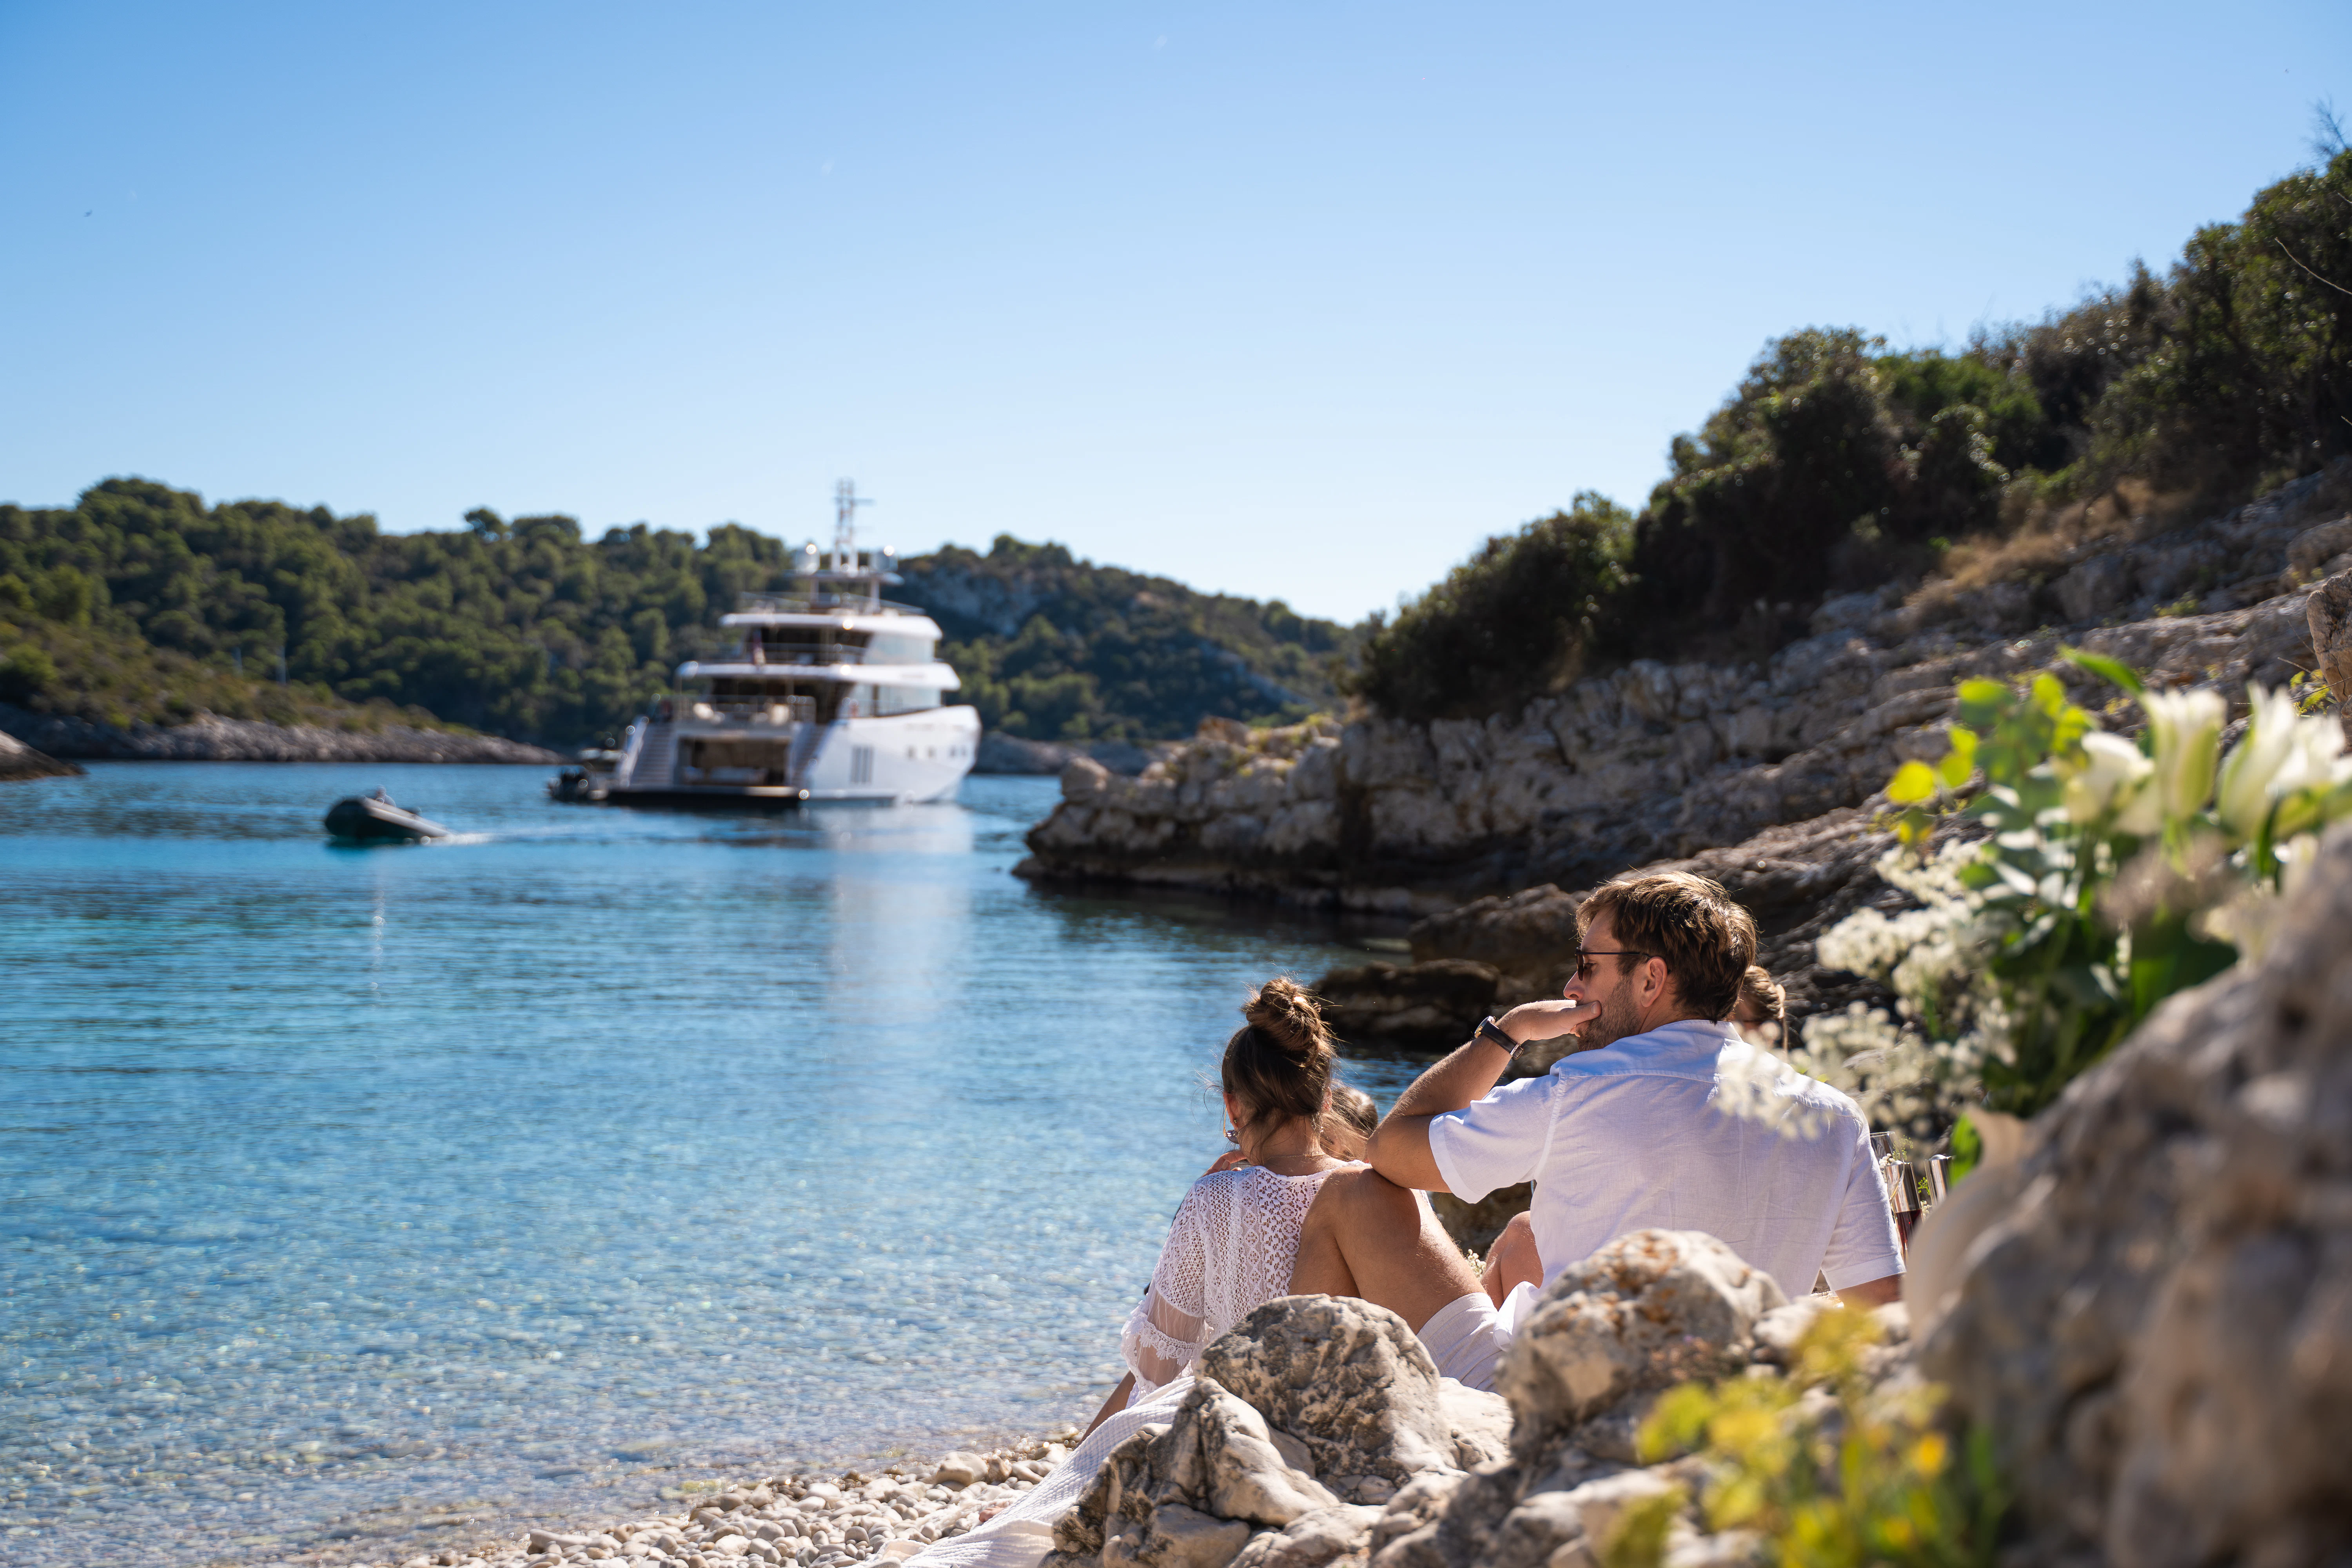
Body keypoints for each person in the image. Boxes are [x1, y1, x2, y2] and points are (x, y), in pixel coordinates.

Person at [1326, 871, 1899, 1363]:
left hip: (1564, 1404)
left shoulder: (1579, 1092)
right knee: (1527, 1234)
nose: (1573, 986)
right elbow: (1883, 1310)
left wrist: (1509, 1032)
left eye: (1587, 965)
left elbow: (1390, 1150)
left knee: (1353, 1193)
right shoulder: (1834, 1117)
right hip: (1729, 1419)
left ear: (1651, 979)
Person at [907, 980, 1358, 1568]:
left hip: (1236, 1438)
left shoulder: (1217, 1199)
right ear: (1326, 1099)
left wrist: (1056, 1489)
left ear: (1233, 1104)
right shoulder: (1375, 1199)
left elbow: (1156, 1371)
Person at [1474, 959, 1804, 1307]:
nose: (1721, 1031)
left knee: (1523, 1233)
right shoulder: (1816, 1114)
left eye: (1732, 1021)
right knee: (1524, 1230)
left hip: (1656, 1317)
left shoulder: (1595, 1096)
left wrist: (1512, 1030)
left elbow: (1420, 1137)